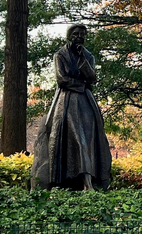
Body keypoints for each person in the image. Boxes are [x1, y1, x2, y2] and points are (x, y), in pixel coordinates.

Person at [31, 24, 111, 191]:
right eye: (76, 34)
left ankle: (91, 180)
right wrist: (81, 84)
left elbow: (92, 78)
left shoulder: (88, 56)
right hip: (67, 101)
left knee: (88, 140)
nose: (79, 37)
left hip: (85, 101)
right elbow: (61, 79)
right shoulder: (60, 54)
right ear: (69, 36)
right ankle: (79, 182)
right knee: (78, 138)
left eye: (82, 34)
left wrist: (83, 62)